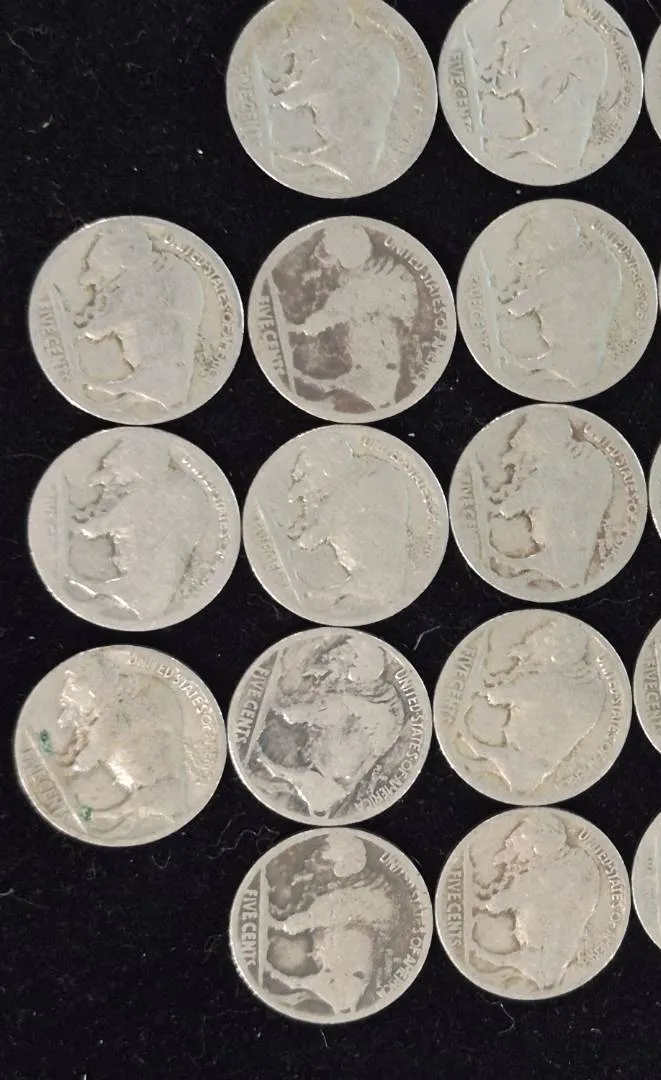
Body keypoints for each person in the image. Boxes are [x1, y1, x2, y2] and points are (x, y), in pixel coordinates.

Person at [40, 652, 190, 837]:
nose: (65, 696)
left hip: (158, 787)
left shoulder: (114, 714)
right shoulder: (116, 705)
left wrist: (66, 769)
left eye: (74, 685)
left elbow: (90, 756)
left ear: (95, 685)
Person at [254, 634, 404, 817]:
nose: (332, 657)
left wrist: (281, 707)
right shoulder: (378, 698)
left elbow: (301, 714)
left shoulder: (344, 705)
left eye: (340, 655)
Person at [458, 618, 606, 796]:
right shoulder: (589, 683)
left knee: (474, 739)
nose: (533, 641)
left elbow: (495, 696)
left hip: (524, 760)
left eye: (543, 638)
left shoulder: (545, 683)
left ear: (558, 655)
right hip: (542, 761)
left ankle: (470, 745)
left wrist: (483, 683)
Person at [285, 221, 420, 411]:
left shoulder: (360, 290)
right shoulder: (379, 274)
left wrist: (296, 330)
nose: (328, 268)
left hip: (377, 377)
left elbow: (324, 319)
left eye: (332, 260)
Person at [262, 1, 401, 184]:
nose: (302, 51)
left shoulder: (329, 66)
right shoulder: (378, 47)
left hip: (350, 154)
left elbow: (288, 100)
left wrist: (273, 89)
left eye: (304, 45)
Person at [71, 434, 208, 621]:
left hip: (154, 574)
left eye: (115, 468)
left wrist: (76, 525)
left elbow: (98, 527)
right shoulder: (169, 485)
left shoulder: (149, 494)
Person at [72, 221, 205, 411]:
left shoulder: (144, 281)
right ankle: (146, 386)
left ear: (130, 255)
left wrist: (76, 323)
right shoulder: (168, 267)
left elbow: (94, 329)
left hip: (163, 379)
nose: (88, 282)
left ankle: (148, 386)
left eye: (101, 273)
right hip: (174, 379)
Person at [465, 0, 608, 171]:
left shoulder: (575, 43)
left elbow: (508, 80)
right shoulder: (532, 46)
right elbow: (503, 80)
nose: (510, 38)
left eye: (521, 35)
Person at [492, 205, 622, 388]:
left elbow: (517, 307)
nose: (524, 261)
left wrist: (500, 306)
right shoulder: (595, 257)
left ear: (553, 241)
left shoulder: (566, 273)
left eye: (531, 242)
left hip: (575, 366)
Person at [281, 433, 412, 611]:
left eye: (309, 475)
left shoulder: (366, 479)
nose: (309, 486)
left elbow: (316, 534)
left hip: (380, 567)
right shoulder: (362, 473)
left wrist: (294, 542)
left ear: (328, 467)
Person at [270, 833, 396, 1015]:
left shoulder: (368, 895)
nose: (312, 864)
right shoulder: (330, 896)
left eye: (323, 859)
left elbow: (316, 916)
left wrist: (300, 922)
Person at [471, 813, 599, 991]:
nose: (522, 854)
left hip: (543, 958)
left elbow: (498, 903)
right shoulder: (581, 862)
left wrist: (481, 903)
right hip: (564, 952)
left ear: (539, 846)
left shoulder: (541, 877)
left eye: (525, 845)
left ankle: (484, 955)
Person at [489, 409, 613, 590]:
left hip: (561, 566)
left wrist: (496, 507)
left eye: (528, 436)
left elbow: (510, 507)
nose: (516, 441)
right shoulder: (587, 460)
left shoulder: (551, 475)